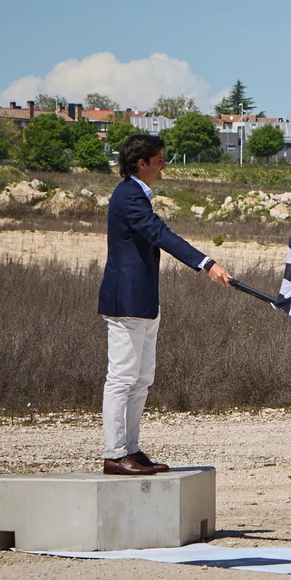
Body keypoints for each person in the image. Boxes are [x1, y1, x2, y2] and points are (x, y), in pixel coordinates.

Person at [99, 133, 231, 476]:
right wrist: (206, 263)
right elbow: (160, 234)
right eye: (159, 160)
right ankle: (115, 454)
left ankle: (131, 448)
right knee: (122, 377)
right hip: (125, 300)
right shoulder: (129, 195)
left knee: (141, 378)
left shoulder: (137, 195)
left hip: (143, 301)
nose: (164, 166)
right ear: (140, 163)